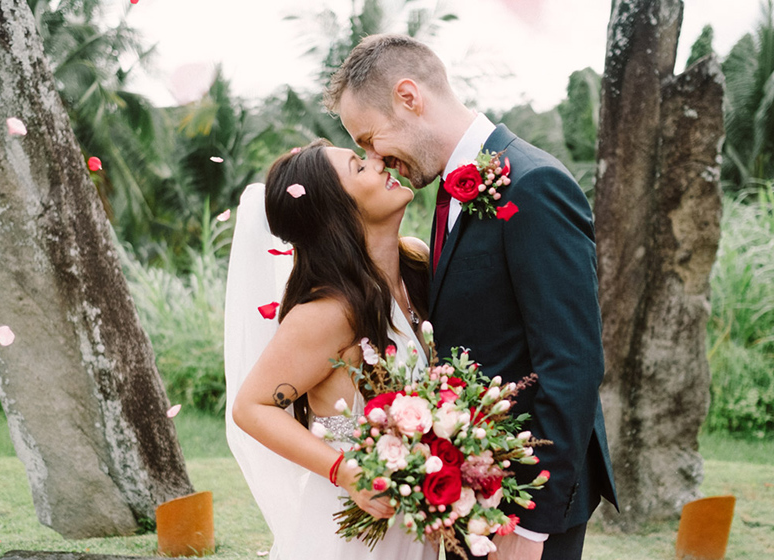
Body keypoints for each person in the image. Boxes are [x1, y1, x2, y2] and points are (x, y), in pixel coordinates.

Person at [325, 34, 619, 560]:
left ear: (409, 97)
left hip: (528, 500)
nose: (374, 158)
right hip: (473, 488)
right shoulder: (447, 191)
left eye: (370, 138)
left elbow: (572, 362)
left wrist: (531, 526)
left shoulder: (533, 184)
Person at [227, 140, 437, 560]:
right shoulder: (328, 311)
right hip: (350, 528)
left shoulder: (416, 264)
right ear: (337, 211)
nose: (379, 162)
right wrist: (345, 471)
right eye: (360, 167)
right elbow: (251, 407)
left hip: (414, 516)